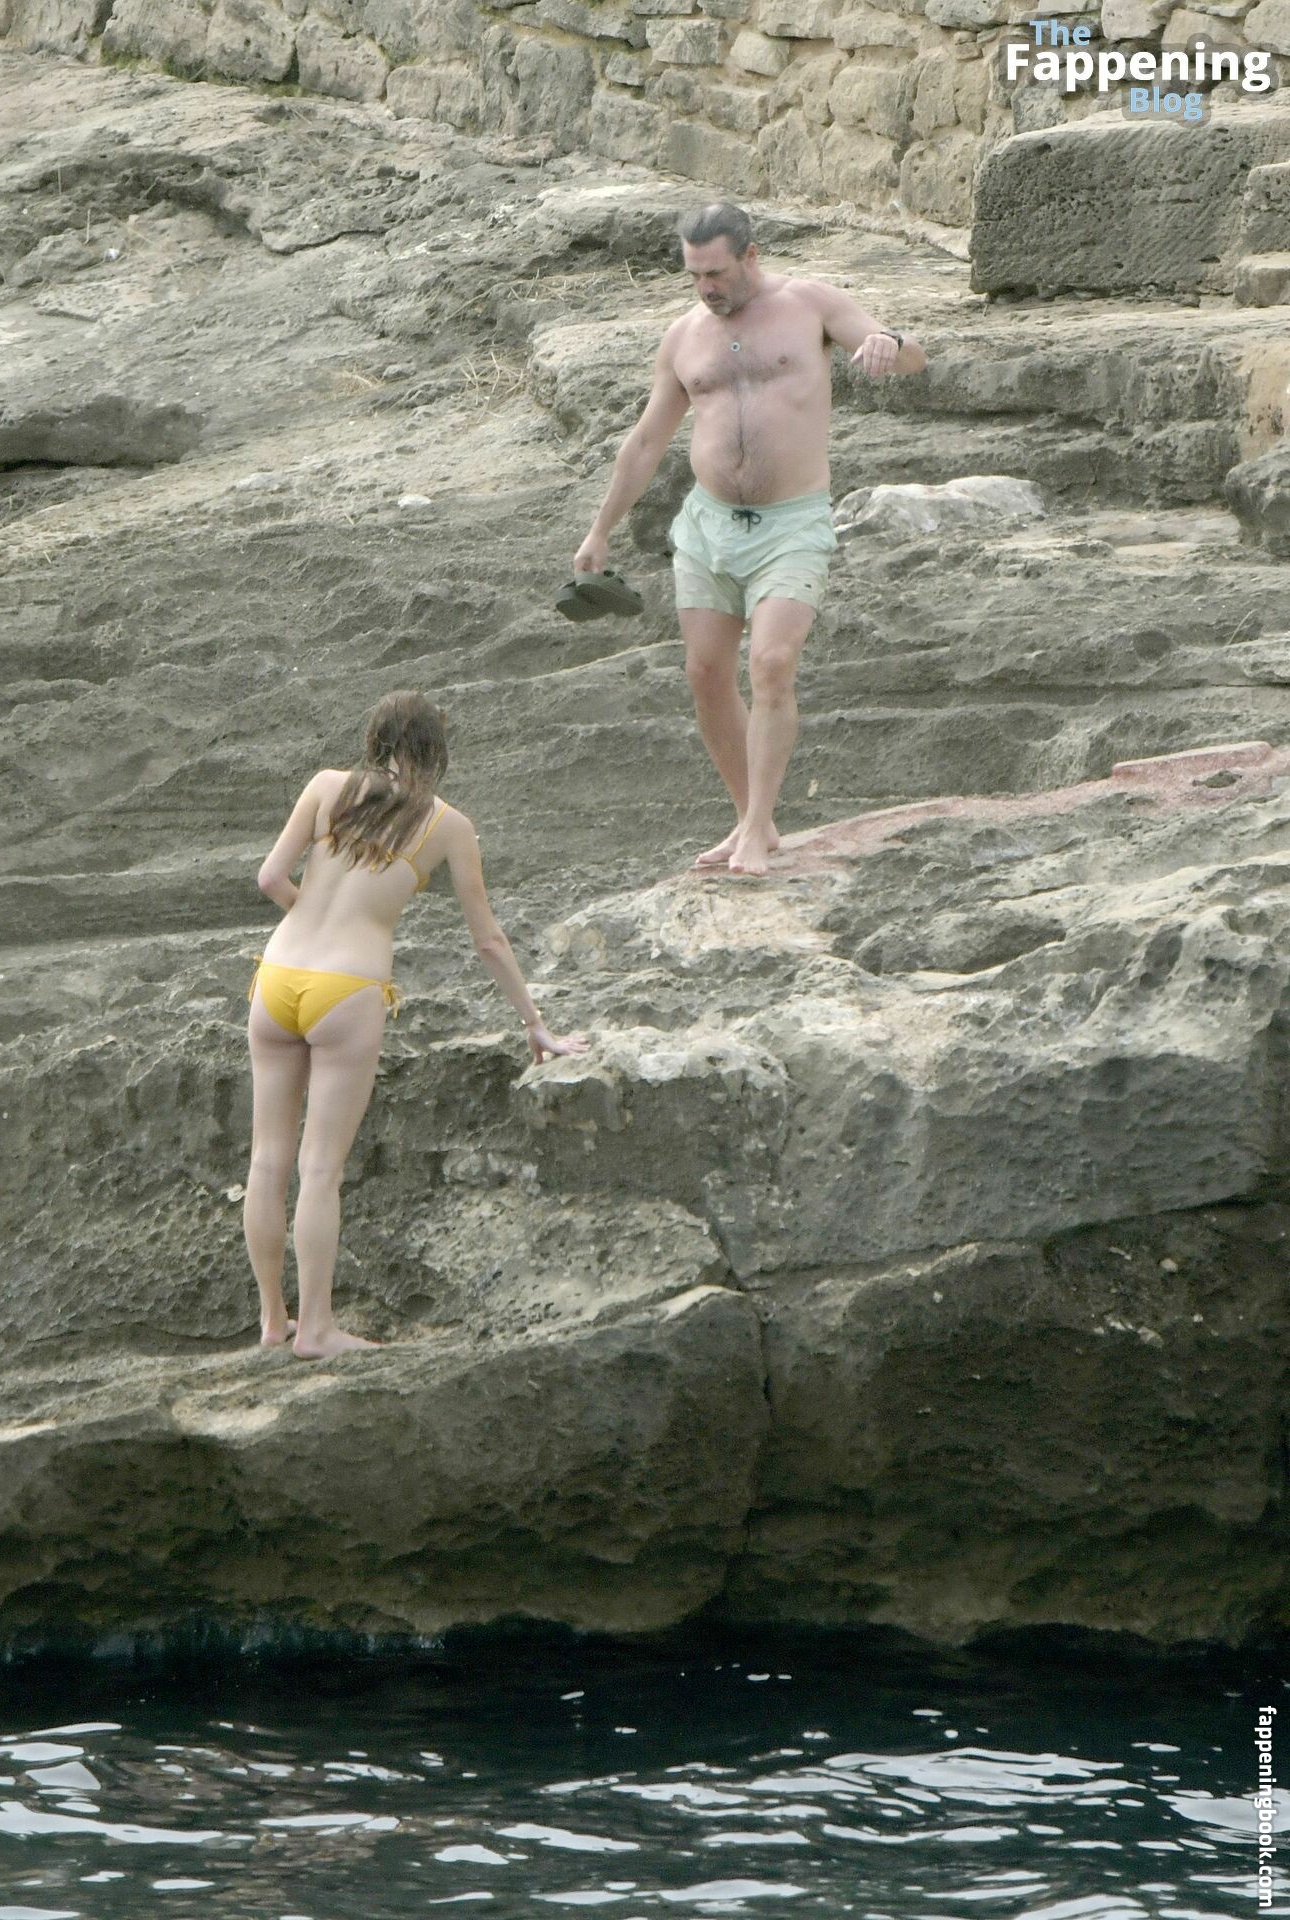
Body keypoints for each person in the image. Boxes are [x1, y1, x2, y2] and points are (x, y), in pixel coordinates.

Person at [573, 201, 928, 877]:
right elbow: (645, 442)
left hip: (791, 523)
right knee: (705, 674)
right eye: (693, 275)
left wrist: (891, 342)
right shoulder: (683, 337)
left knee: (770, 663)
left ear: (750, 256)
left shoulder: (810, 304)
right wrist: (600, 529)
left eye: (716, 273)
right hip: (707, 525)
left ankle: (759, 824)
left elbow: (909, 356)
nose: (705, 287)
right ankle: (749, 821)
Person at [243, 690, 587, 1359]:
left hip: (276, 977)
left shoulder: (326, 786)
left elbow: (269, 878)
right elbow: (488, 940)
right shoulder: (449, 826)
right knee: (320, 1169)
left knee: (267, 1160)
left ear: (373, 739)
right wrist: (534, 1023)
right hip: (348, 989)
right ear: (436, 750)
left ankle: (272, 1321)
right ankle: (316, 1329)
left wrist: (310, 922)